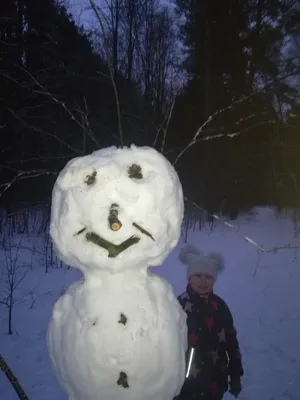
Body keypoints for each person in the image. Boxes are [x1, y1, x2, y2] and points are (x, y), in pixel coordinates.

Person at [176, 244, 244, 400]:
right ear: (189, 277)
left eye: (208, 276)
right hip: (184, 385)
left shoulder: (220, 306)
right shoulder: (178, 305)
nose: (203, 281)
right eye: (198, 275)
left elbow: (232, 343)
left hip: (215, 383)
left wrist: (235, 376)